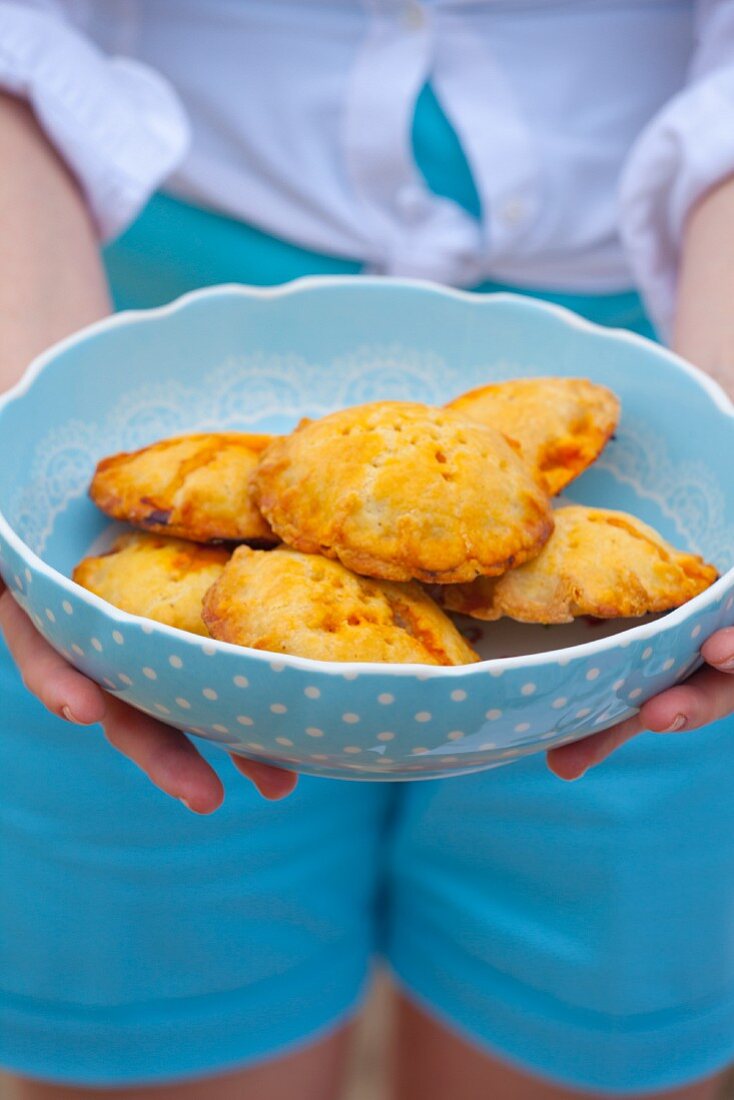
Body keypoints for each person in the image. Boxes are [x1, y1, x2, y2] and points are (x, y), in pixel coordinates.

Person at [1, 2, 734, 1098]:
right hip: (119, 308)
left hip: (671, 366)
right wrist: (25, 414)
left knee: (582, 1035)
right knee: (162, 1016)